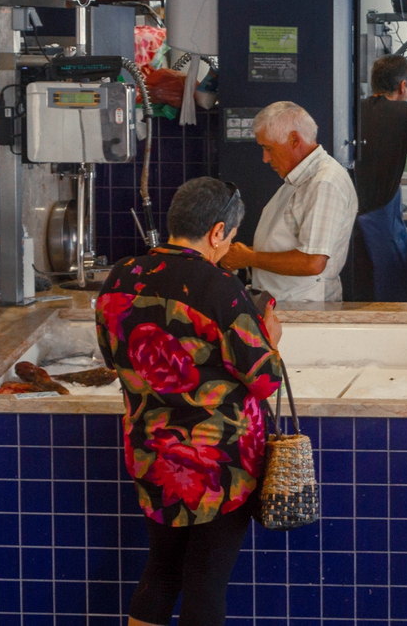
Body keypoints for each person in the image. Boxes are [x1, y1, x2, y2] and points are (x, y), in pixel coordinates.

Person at [95, 177, 284, 626]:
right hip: (216, 464)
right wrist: (271, 340)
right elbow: (266, 381)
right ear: (217, 232)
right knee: (205, 584)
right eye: (231, 237)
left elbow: (113, 357)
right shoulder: (218, 287)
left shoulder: (120, 277)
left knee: (160, 572)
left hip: (151, 454)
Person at [221, 101, 357, 302]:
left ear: (294, 139)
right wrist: (248, 255)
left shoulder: (324, 182)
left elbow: (312, 262)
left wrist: (249, 258)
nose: (265, 158)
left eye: (268, 148)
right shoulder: (300, 179)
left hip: (305, 307)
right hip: (283, 303)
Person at [354, 55, 407, 301]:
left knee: (359, 289)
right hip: (381, 219)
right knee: (388, 291)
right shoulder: (406, 112)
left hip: (349, 216)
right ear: (403, 86)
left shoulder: (355, 108)